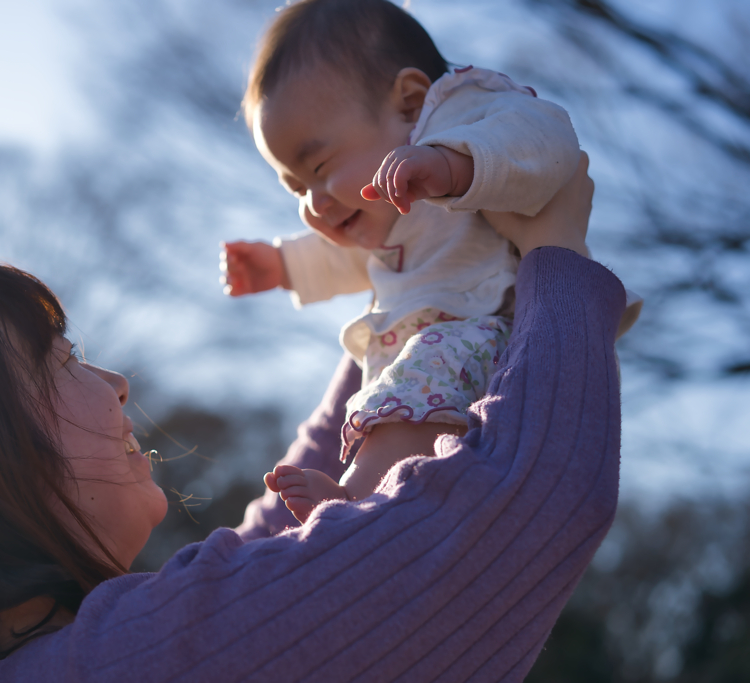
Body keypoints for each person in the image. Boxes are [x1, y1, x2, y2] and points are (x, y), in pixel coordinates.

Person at [0, 157, 623, 682]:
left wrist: (404, 310)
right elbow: (522, 507)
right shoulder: (129, 662)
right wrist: (556, 254)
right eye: (62, 359)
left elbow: (280, 566)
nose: (116, 382)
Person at [222, 0, 640, 521]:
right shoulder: (389, 220)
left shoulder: (466, 112)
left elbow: (550, 142)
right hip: (446, 363)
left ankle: (356, 501)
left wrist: (455, 163)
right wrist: (283, 265)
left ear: (410, 102)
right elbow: (355, 258)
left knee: (425, 365)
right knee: (406, 390)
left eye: (320, 166)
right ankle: (383, 498)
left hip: (508, 333)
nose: (314, 202)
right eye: (296, 188)